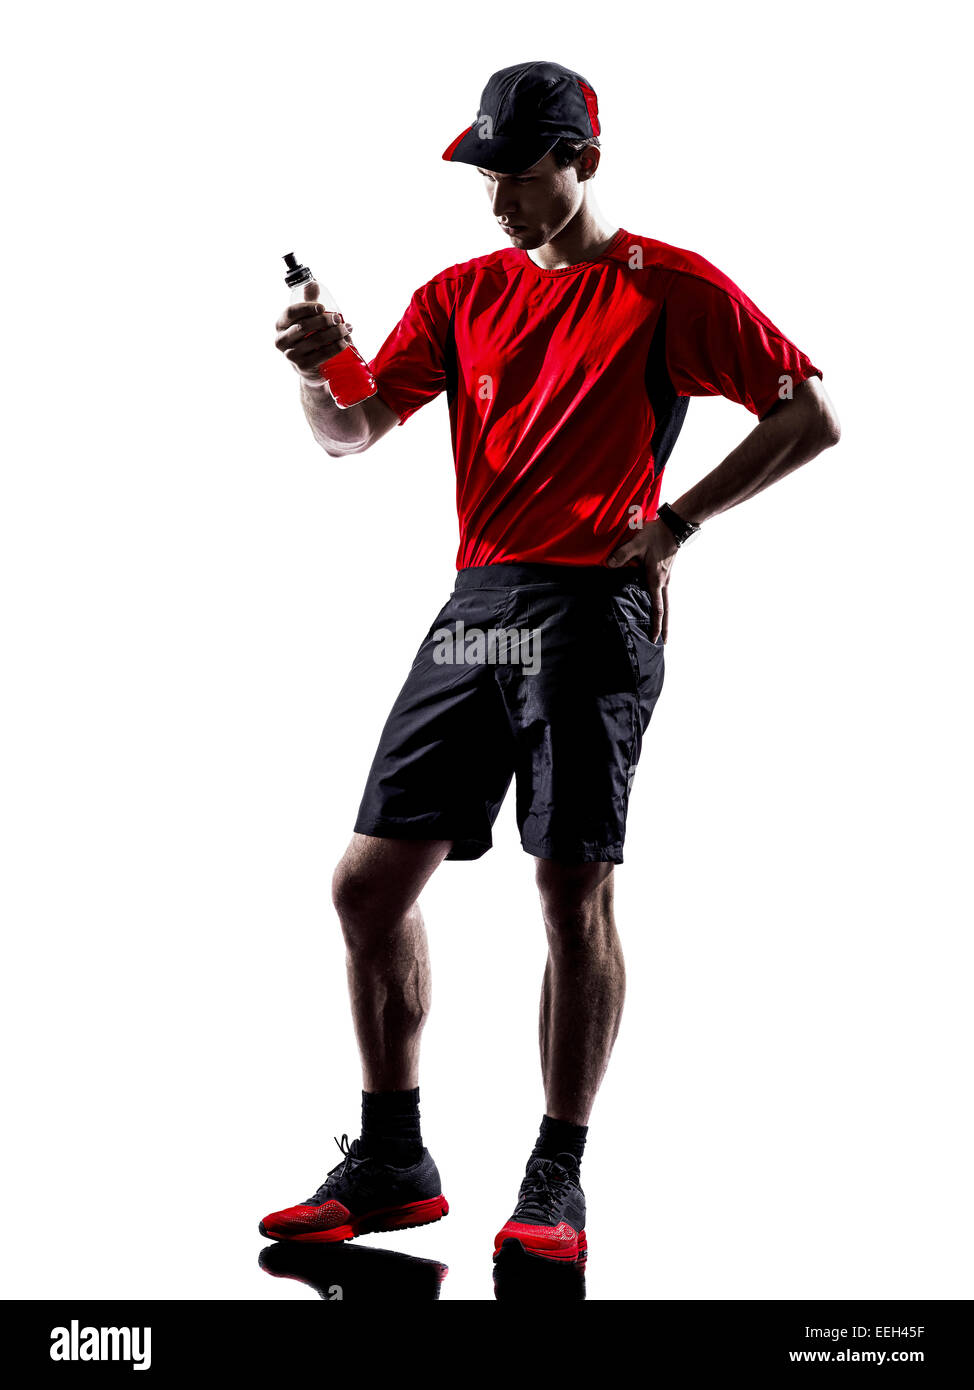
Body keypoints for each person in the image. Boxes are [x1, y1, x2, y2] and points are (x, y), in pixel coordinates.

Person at [261, 60, 841, 1265]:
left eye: (520, 177)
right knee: (368, 885)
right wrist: (323, 366)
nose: (498, 202)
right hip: (480, 601)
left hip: (591, 610)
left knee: (567, 892)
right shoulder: (459, 293)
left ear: (583, 162)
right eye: (485, 176)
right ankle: (392, 1159)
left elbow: (808, 416)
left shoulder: (667, 287)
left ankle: (554, 1179)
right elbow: (351, 434)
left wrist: (676, 522)